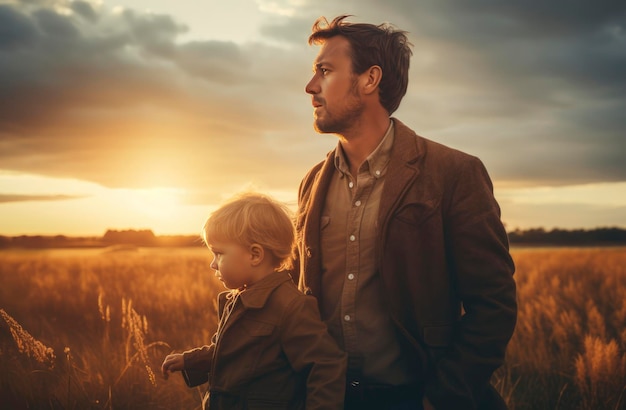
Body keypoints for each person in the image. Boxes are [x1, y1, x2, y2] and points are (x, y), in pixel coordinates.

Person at [294, 15, 517, 410]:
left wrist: (442, 398)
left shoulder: (453, 173)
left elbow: (493, 305)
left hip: (416, 397)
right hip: (327, 399)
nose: (310, 87)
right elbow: (295, 295)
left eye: (325, 71)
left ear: (370, 79)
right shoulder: (312, 182)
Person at [161, 192, 347, 410]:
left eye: (219, 254)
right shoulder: (238, 299)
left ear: (255, 255)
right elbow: (228, 352)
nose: (213, 264)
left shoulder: (291, 306)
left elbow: (326, 365)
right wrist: (189, 361)